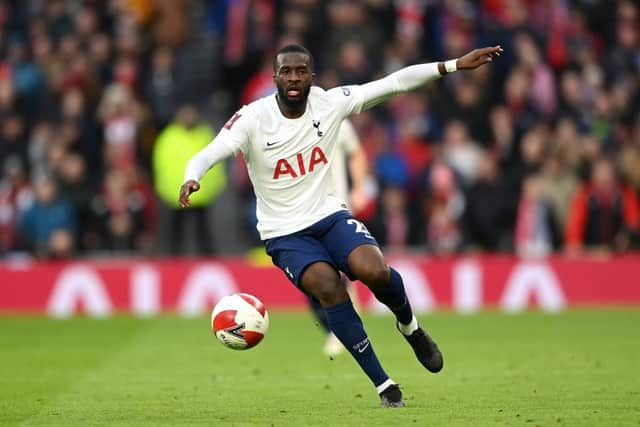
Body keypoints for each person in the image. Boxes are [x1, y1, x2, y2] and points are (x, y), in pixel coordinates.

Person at [180, 44, 502, 407]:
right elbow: (209, 152)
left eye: (301, 71)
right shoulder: (252, 119)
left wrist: (454, 64)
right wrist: (193, 177)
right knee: (328, 287)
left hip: (330, 215)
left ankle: (410, 327)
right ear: (274, 78)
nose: (294, 78)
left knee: (374, 270)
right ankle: (384, 385)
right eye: (286, 72)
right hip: (284, 233)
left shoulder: (330, 103)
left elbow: (394, 83)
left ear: (312, 77)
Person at [309, 118, 368, 358]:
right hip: (301, 214)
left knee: (337, 273)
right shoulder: (284, 124)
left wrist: (359, 187)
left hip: (336, 209)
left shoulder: (336, 119)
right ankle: (337, 328)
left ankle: (341, 331)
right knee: (311, 279)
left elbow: (356, 153)